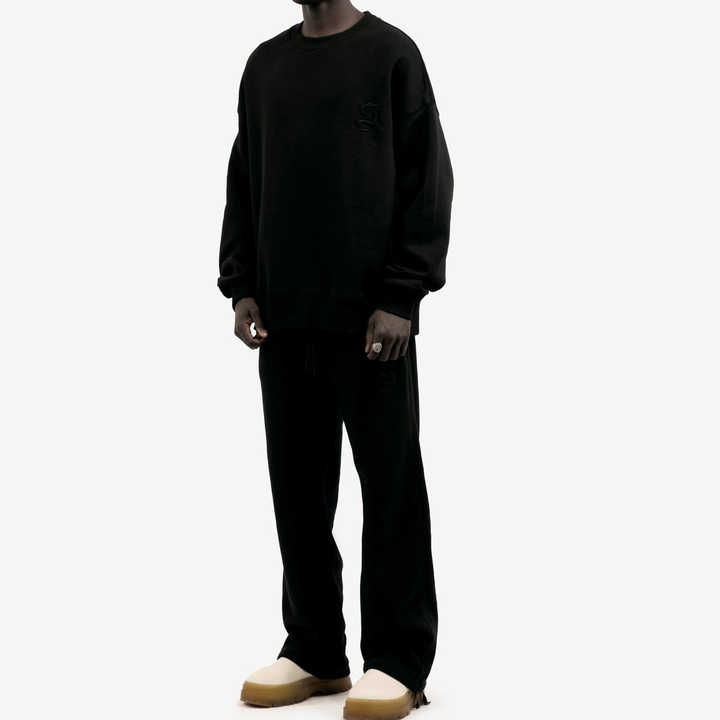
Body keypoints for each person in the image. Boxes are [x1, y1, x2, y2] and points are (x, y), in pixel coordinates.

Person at [217, 1, 453, 717]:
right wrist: (242, 284)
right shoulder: (265, 66)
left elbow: (428, 178)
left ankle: (400, 662)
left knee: (391, 490)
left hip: (371, 325)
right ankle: (316, 650)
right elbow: (243, 177)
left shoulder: (391, 56)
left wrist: (402, 295)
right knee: (297, 492)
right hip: (284, 322)